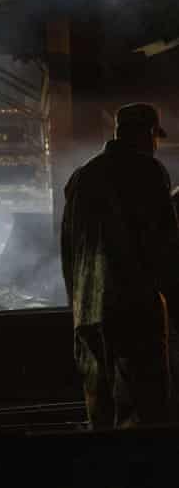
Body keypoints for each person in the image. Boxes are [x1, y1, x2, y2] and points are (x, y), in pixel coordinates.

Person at [61, 103, 179, 429]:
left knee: (99, 411)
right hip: (134, 309)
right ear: (146, 134)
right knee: (146, 411)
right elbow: (165, 246)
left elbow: (68, 251)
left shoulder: (80, 179)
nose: (155, 146)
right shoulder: (148, 173)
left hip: (87, 314)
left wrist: (77, 305)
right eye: (155, 138)